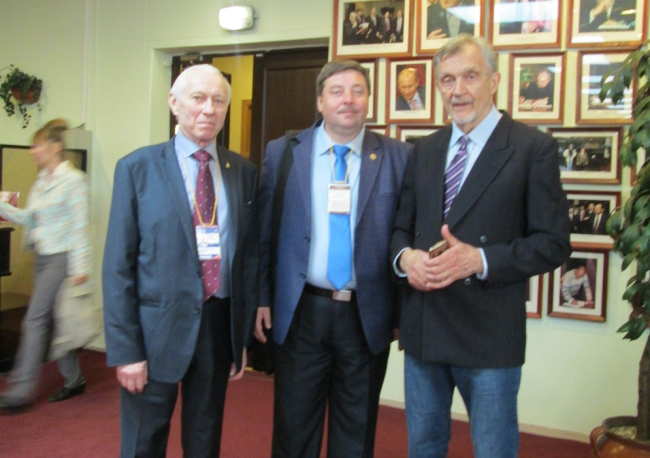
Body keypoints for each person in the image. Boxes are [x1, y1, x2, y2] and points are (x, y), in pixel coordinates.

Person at [390, 34, 571, 457]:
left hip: (490, 334)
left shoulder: (532, 148)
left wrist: (481, 260)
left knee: (493, 450)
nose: (458, 90)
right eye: (447, 80)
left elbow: (553, 243)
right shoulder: (425, 149)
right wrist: (406, 258)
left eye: (470, 76)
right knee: (424, 447)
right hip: (424, 329)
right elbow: (400, 230)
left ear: (494, 80)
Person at [255, 60, 411, 458]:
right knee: (294, 429)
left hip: (366, 314)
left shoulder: (399, 157)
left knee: (356, 432)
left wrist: (400, 314)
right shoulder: (284, 152)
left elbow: (405, 236)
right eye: (337, 91)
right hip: (302, 311)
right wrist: (262, 297)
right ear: (320, 101)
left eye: (358, 91)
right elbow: (264, 233)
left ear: (369, 100)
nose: (348, 100)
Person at [102, 64, 259, 457]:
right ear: (174, 103)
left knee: (205, 440)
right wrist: (126, 351)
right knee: (143, 442)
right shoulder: (137, 168)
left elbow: (247, 260)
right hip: (153, 332)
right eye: (198, 98)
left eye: (219, 101)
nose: (209, 109)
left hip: (216, 328)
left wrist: (238, 339)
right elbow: (118, 267)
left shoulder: (242, 171)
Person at [0, 119, 90, 412]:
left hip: (61, 258)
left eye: (37, 146)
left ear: (55, 147)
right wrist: (3, 207)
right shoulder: (41, 181)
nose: (32, 151)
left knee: (34, 319)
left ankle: (20, 391)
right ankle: (74, 380)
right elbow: (31, 218)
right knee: (56, 319)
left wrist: (80, 267)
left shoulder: (74, 180)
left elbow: (80, 226)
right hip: (41, 256)